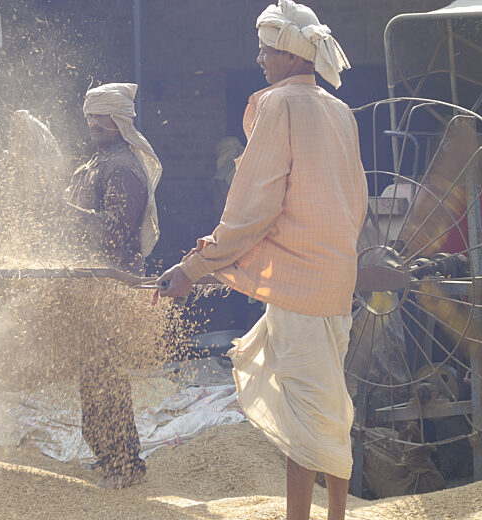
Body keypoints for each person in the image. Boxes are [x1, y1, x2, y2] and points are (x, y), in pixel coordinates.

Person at [157, 2, 366, 519]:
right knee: (327, 409)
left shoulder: (279, 106)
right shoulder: (339, 111)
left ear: (291, 55)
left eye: (265, 50)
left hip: (300, 288)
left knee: (305, 418)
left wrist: (193, 267)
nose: (260, 60)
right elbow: (356, 198)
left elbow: (252, 209)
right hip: (337, 281)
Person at [64, 82, 162, 488]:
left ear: (120, 120)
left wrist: (63, 212)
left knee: (107, 376)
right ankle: (108, 457)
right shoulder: (100, 160)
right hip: (94, 287)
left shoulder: (121, 166)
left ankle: (126, 466)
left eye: (100, 117)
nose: (92, 123)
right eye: (89, 116)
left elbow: (113, 232)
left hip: (113, 288)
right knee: (94, 374)